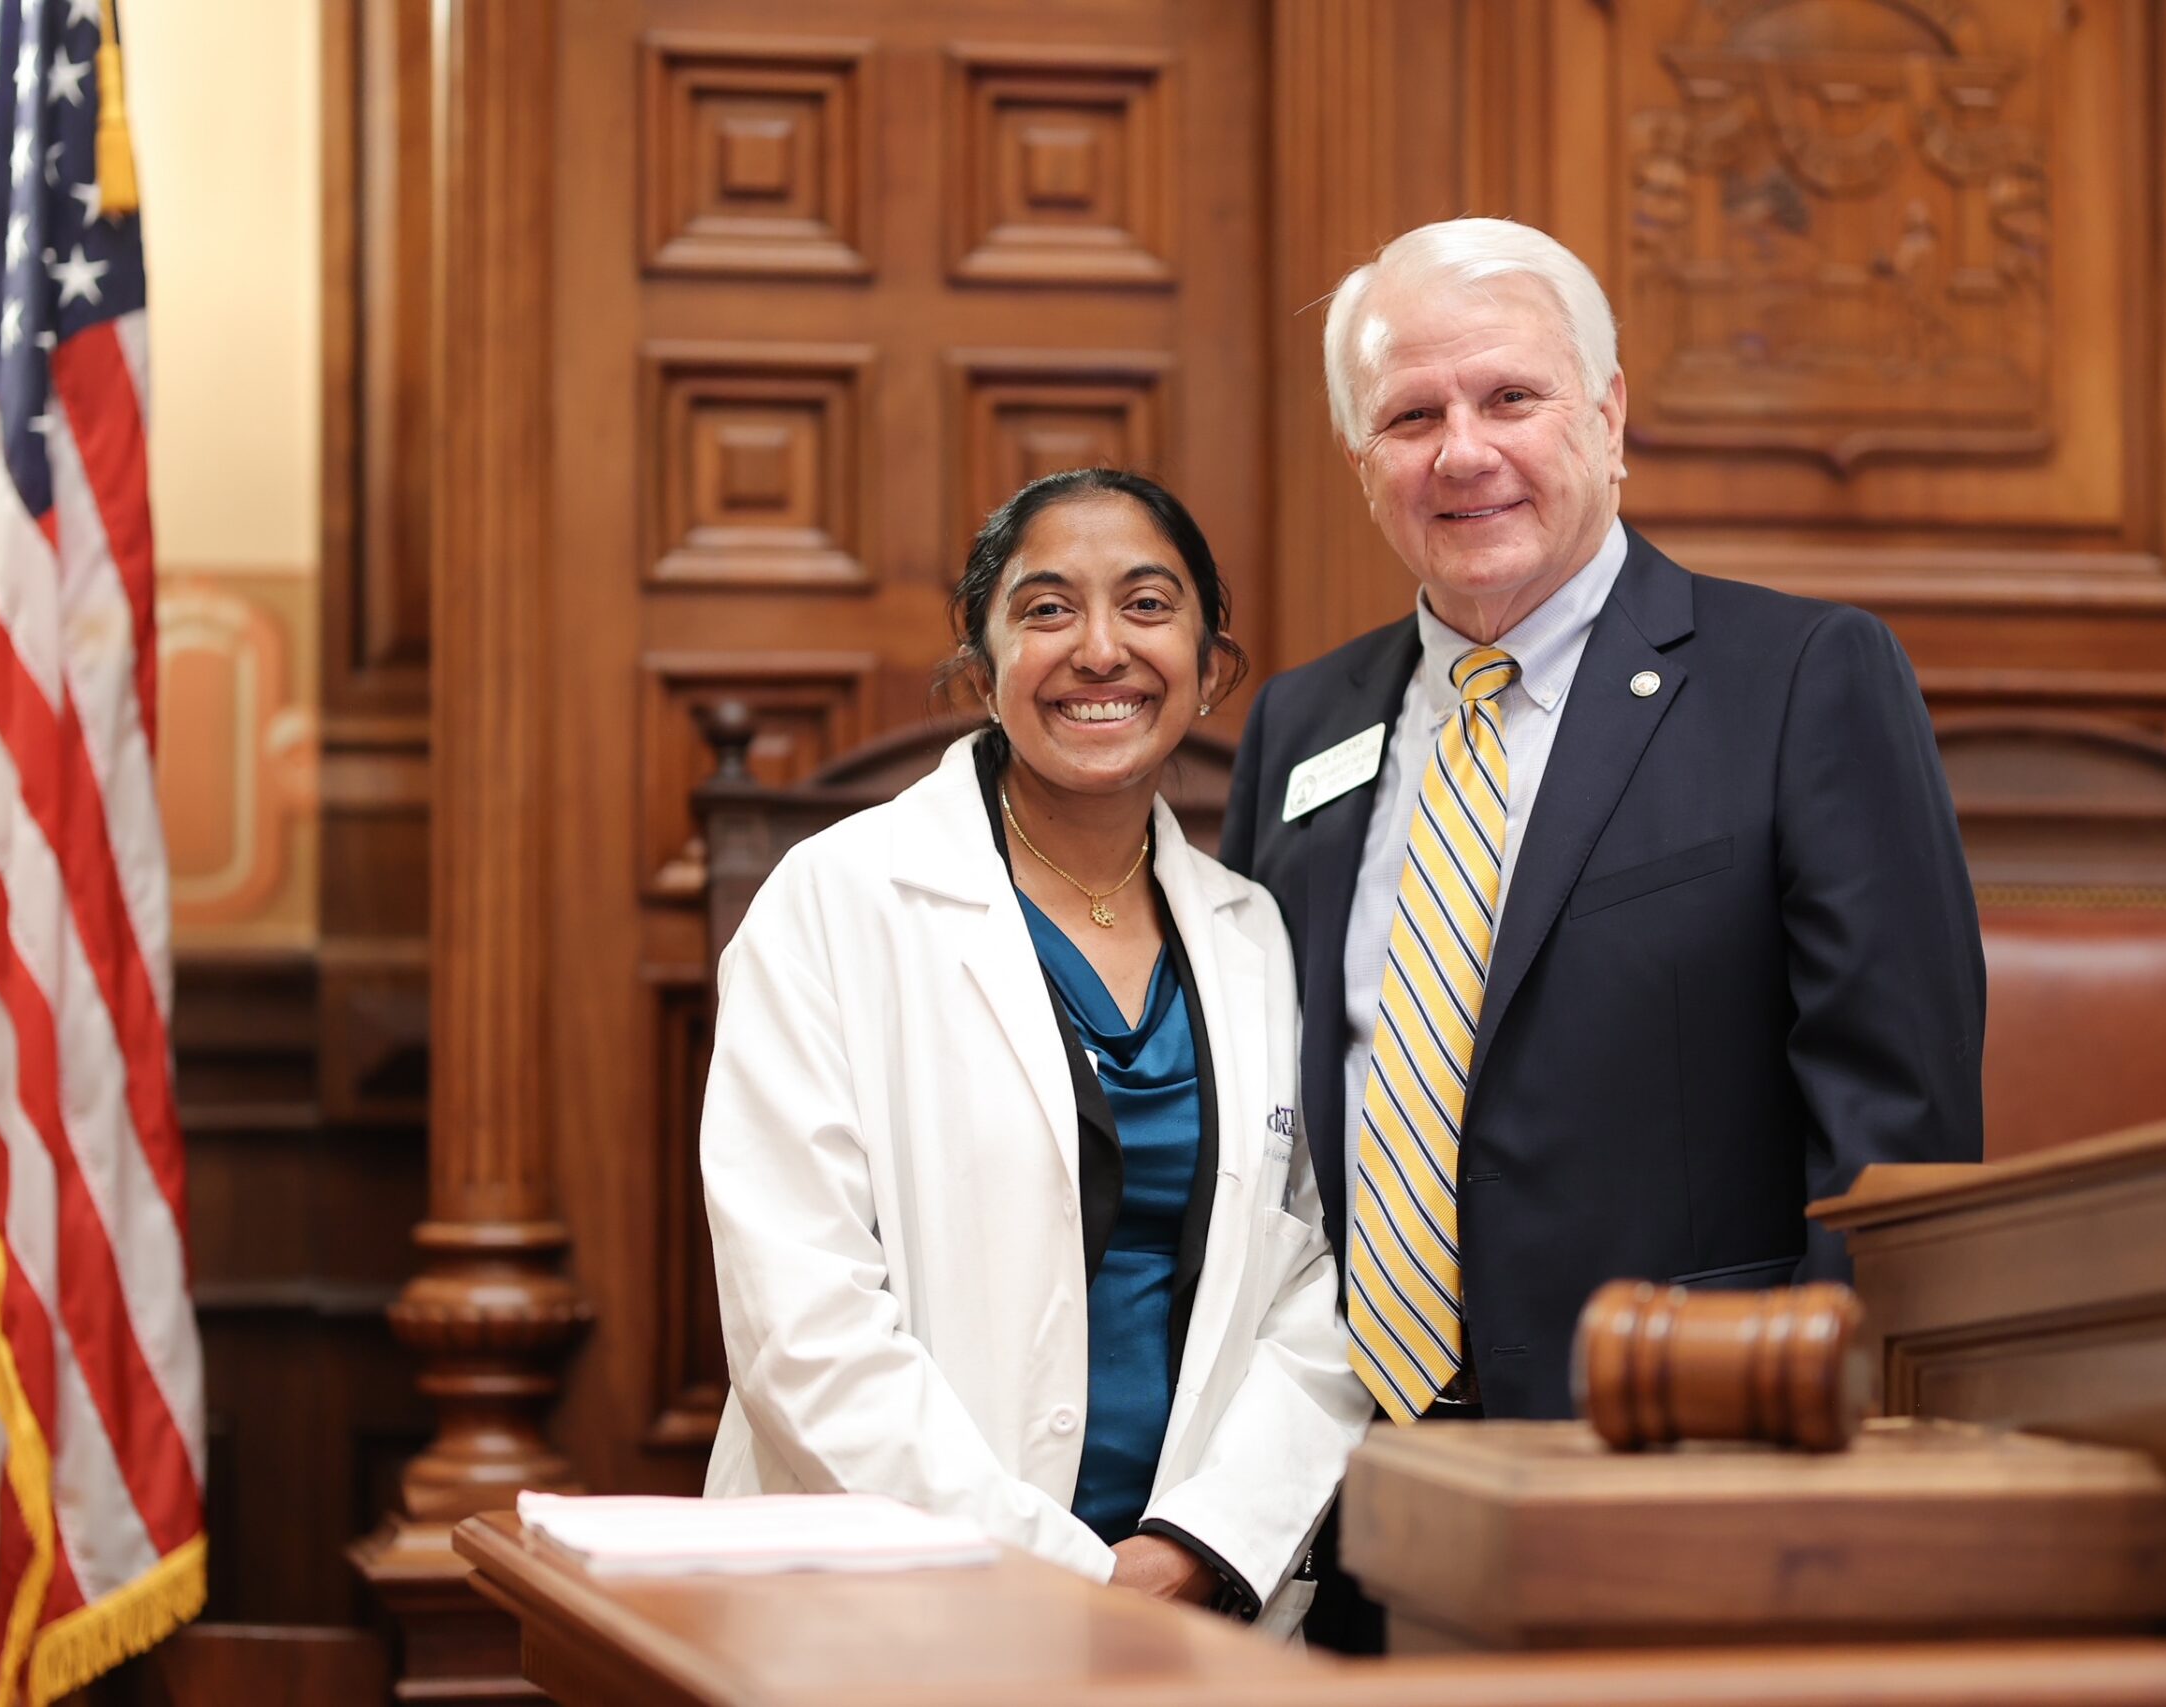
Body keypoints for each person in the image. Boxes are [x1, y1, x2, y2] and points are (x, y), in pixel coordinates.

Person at [1222, 217, 1984, 1643]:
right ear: (1361, 462)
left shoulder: (1800, 679)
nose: (1463, 451)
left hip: (1682, 1485)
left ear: (1610, 413)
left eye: (1511, 396)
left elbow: (1898, 1133)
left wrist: (1833, 1462)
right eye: (1411, 416)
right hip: (1346, 1504)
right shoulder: (1301, 726)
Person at [701, 467, 1370, 1633]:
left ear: (1211, 667)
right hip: (891, 1606)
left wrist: (1197, 1548)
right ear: (982, 668)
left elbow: (1323, 1275)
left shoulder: (1255, 935)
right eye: (1047, 608)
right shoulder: (835, 902)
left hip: (1190, 1608)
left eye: (1148, 605)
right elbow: (799, 1321)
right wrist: (1065, 1574)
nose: (1100, 650)